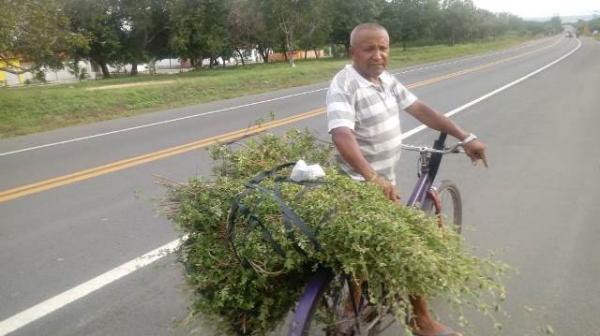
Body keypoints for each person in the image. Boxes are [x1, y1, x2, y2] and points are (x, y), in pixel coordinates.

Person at [326, 23, 487, 336]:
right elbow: (342, 135)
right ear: (352, 52)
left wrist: (465, 136)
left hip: (381, 181)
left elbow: (421, 110)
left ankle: (352, 309)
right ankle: (422, 322)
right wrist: (371, 176)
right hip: (358, 186)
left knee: (363, 251)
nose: (378, 55)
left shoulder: (385, 79)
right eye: (369, 48)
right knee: (408, 245)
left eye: (383, 48)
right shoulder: (344, 84)